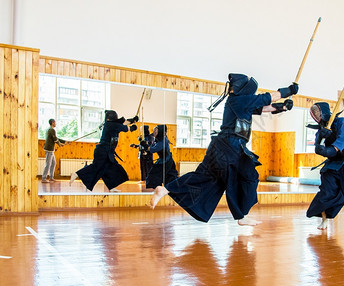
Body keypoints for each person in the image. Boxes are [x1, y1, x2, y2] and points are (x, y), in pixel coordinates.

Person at [151, 73, 298, 226]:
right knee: (245, 177)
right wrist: (289, 90)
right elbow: (269, 98)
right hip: (230, 146)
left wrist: (284, 107)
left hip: (220, 146)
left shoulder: (238, 102)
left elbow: (263, 108)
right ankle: (241, 216)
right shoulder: (240, 100)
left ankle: (166, 189)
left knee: (204, 177)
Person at [69, 110, 138, 192]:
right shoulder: (113, 125)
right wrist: (134, 126)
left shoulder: (110, 124)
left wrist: (133, 120)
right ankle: (76, 174)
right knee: (96, 167)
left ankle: (111, 187)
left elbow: (123, 123)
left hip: (105, 151)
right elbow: (126, 127)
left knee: (108, 168)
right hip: (103, 151)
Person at [144, 124, 178, 189]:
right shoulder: (159, 139)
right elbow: (152, 145)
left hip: (166, 161)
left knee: (156, 174)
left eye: (156, 131)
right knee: (169, 175)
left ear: (160, 132)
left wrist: (146, 146)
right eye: (154, 131)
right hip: (164, 160)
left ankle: (157, 188)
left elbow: (154, 149)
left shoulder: (163, 139)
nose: (154, 132)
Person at [42, 119, 67, 183]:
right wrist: (60, 144)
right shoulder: (51, 130)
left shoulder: (50, 129)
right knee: (48, 164)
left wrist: (64, 141)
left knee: (53, 163)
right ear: (52, 123)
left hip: (51, 150)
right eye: (55, 122)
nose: (56, 123)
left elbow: (56, 138)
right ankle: (44, 178)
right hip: (49, 149)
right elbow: (55, 139)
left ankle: (51, 177)